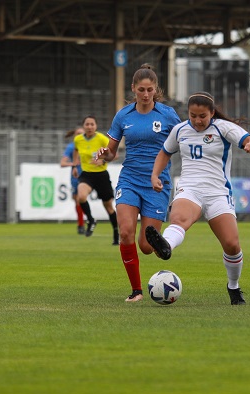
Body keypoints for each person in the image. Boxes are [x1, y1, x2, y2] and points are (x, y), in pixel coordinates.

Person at [144, 91, 250, 305]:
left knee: (232, 245)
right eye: (192, 115)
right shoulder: (180, 130)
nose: (197, 121)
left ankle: (233, 286)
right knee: (179, 219)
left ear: (212, 113)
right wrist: (154, 175)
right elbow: (165, 152)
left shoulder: (223, 128)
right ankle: (165, 246)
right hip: (190, 189)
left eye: (202, 116)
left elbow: (248, 138)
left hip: (218, 193)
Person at [94, 64, 181, 302]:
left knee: (145, 245)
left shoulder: (168, 115)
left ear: (155, 90)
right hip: (129, 178)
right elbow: (112, 153)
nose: (145, 94)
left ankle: (159, 245)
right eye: (141, 89)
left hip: (157, 183)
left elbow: (183, 141)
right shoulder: (123, 115)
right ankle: (136, 291)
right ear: (133, 88)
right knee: (125, 232)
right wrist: (104, 153)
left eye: (149, 90)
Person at [73, 115, 119, 244]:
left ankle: (116, 233)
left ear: (96, 126)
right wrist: (75, 166)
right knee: (81, 196)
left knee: (108, 207)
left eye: (92, 124)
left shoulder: (102, 139)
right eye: (87, 124)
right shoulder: (78, 139)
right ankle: (91, 220)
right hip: (86, 174)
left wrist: (103, 160)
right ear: (83, 126)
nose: (89, 127)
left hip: (101, 175)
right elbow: (76, 151)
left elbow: (115, 155)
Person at [60, 126, 86, 234]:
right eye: (77, 134)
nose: (79, 136)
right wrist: (73, 164)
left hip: (88, 175)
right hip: (76, 176)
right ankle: (81, 224)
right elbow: (62, 163)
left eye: (81, 134)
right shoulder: (71, 147)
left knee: (81, 198)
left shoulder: (89, 145)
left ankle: (82, 224)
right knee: (77, 200)